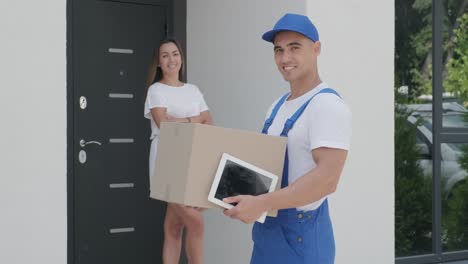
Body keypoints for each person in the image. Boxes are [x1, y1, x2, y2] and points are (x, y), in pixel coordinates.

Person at [223, 13, 352, 263]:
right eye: (278, 50)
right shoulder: (277, 106)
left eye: (294, 48)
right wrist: (215, 193)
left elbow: (327, 180)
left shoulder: (327, 106)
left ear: (316, 49)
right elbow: (264, 169)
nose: (285, 58)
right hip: (267, 233)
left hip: (300, 238)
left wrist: (261, 203)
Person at [144, 38, 212, 264]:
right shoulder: (156, 90)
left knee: (174, 227)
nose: (171, 59)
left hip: (191, 158)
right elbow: (164, 124)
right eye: (165, 55)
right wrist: (195, 120)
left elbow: (209, 124)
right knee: (196, 222)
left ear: (181, 58)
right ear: (159, 63)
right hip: (166, 159)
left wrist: (182, 121)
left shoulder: (193, 90)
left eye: (175, 54)